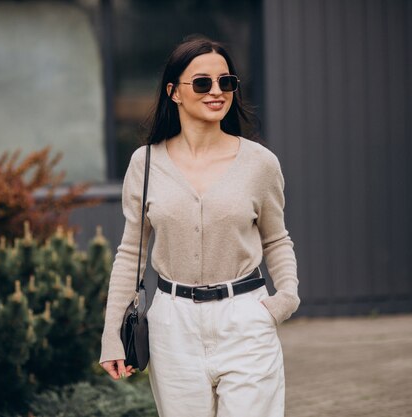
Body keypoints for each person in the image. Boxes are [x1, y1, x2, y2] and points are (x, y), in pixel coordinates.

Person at [99, 35, 300, 417]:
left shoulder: (260, 163)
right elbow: (130, 255)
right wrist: (112, 336)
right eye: (203, 83)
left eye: (226, 82)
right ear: (174, 92)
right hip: (172, 324)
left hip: (245, 317)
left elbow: (276, 238)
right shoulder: (145, 164)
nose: (217, 92)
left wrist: (284, 298)